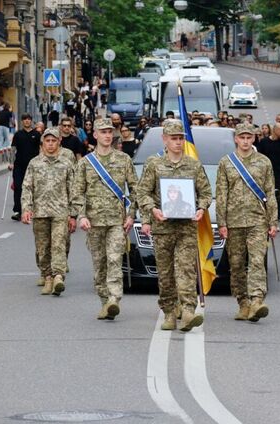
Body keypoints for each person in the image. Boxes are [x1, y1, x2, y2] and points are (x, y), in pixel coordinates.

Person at [136, 119, 212, 332]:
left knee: (186, 270)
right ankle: (169, 312)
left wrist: (201, 208)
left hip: (187, 228)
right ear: (165, 140)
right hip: (163, 228)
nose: (178, 142)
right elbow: (143, 192)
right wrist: (153, 210)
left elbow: (205, 192)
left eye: (181, 138)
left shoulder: (193, 165)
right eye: (174, 138)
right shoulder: (154, 164)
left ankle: (188, 312)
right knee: (166, 273)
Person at [72, 118, 138, 320]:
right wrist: (81, 216)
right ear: (95, 135)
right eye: (103, 132)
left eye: (110, 132)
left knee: (114, 259)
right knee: (99, 264)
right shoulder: (85, 163)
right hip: (94, 222)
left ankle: (114, 299)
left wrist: (131, 215)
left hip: (117, 222)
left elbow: (135, 189)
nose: (107, 135)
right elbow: (77, 193)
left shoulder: (123, 160)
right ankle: (104, 301)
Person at [216, 122, 278, 321]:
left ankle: (257, 300)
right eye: (241, 137)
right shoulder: (226, 162)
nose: (245, 141)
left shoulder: (264, 162)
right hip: (233, 222)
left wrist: (273, 221)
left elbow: (270, 192)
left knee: (257, 261)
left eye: (248, 137)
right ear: (236, 139)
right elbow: (221, 194)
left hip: (257, 220)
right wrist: (222, 222)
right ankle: (243, 302)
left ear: (254, 138)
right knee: (236, 265)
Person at [21, 128, 76, 296]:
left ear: (59, 142)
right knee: (42, 248)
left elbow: (73, 190)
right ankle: (47, 276)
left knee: (59, 244)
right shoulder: (34, 163)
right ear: (43, 143)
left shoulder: (66, 164)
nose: (51, 144)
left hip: (61, 212)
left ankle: (58, 276)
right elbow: (27, 187)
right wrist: (26, 208)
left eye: (54, 141)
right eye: (47, 141)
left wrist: (73, 214)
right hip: (40, 212)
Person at [10, 113, 41, 221]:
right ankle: (18, 210)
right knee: (18, 187)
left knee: (34, 188)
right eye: (24, 119)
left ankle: (32, 209)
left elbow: (41, 149)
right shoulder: (18, 134)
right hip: (19, 165)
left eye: (28, 119)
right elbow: (13, 149)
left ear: (31, 121)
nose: (27, 121)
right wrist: (11, 162)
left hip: (33, 166)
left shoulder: (37, 134)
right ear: (22, 121)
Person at [257, 123, 280, 223]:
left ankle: (277, 215)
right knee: (266, 194)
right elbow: (259, 157)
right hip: (266, 173)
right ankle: (265, 213)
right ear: (275, 130)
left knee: (278, 195)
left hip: (279, 173)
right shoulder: (264, 142)